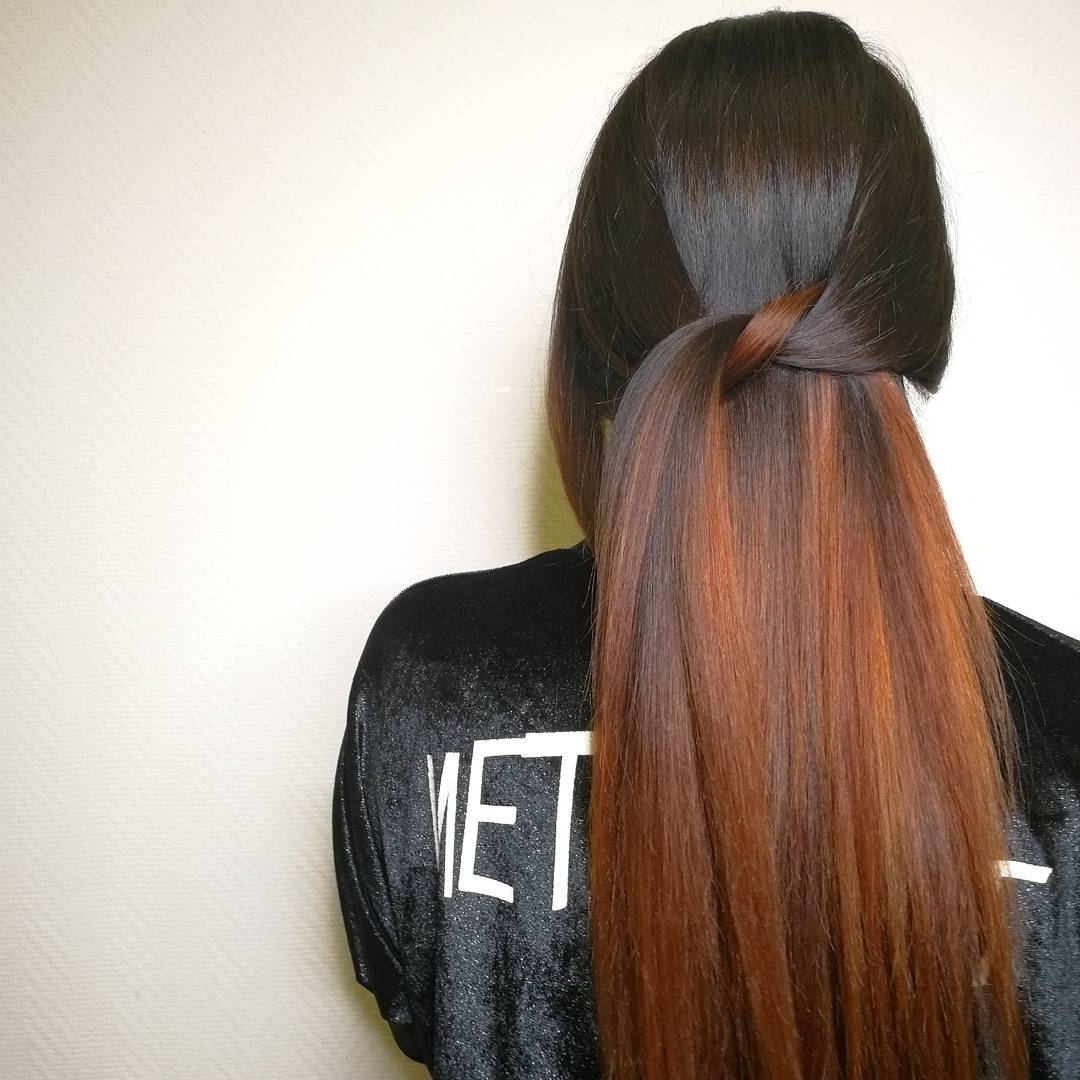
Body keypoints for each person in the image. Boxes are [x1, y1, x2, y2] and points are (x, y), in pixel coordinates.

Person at [333, 11, 1080, 1079]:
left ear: (593, 330)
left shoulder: (432, 674)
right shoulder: (1066, 727)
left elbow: (422, 1007)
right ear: (910, 318)